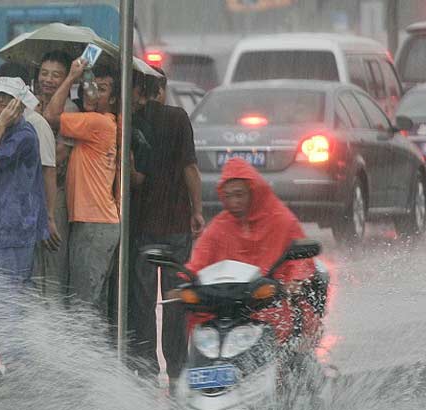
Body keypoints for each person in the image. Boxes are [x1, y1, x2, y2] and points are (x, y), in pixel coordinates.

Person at [184, 158, 318, 344]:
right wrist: (184, 281)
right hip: (227, 306)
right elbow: (200, 259)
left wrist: (294, 281)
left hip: (269, 300)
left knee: (282, 321)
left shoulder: (281, 220)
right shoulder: (221, 225)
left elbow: (301, 261)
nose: (234, 202)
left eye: (239, 194)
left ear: (253, 191)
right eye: (228, 196)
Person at [128, 71, 204, 382]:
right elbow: (190, 168)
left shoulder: (131, 122)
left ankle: (147, 366)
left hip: (143, 225)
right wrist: (197, 210)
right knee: (174, 299)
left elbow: (134, 177)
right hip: (176, 224)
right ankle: (177, 367)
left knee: (143, 300)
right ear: (159, 90)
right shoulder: (178, 118)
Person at [44, 59, 120, 316]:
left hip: (93, 224)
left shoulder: (97, 123)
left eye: (102, 89)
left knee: (82, 308)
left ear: (113, 99)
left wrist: (70, 77)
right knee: (92, 304)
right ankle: (99, 355)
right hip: (97, 222)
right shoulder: (106, 122)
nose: (92, 93)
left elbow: (51, 116)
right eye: (90, 86)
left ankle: (87, 356)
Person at [0, 81, 49, 282]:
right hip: (3, 226)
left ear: (17, 106)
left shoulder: (23, 135)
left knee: (4, 300)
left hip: (15, 227)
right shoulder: (3, 133)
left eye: (2, 105)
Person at [33, 51, 77, 301]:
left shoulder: (69, 110)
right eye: (44, 73)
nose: (48, 80)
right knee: (35, 266)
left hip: (55, 195)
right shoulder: (31, 105)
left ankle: (54, 320)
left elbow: (59, 154)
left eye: (55, 75)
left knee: (54, 262)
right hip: (31, 196)